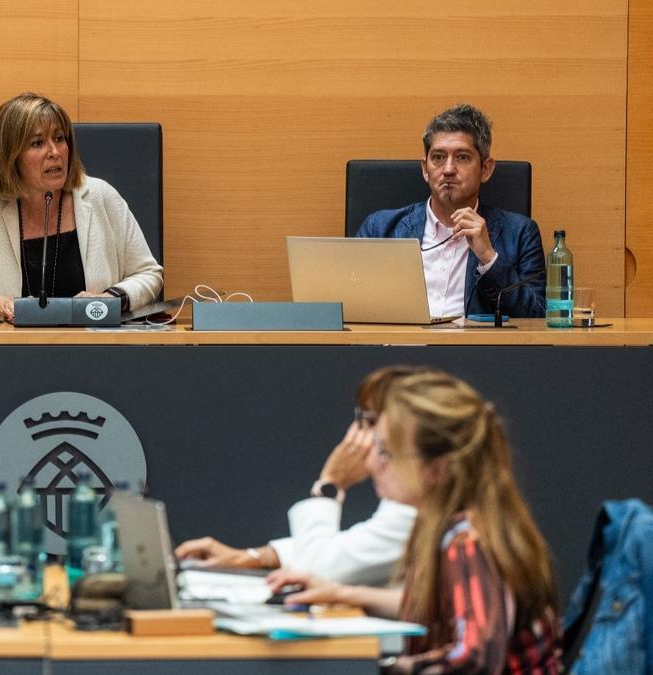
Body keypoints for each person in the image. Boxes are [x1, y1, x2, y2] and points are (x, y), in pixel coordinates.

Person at [268, 371, 561, 673]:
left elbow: (475, 657)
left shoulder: (468, 541)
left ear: (437, 469)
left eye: (385, 452)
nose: (371, 464)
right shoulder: (456, 523)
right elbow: (446, 613)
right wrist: (342, 594)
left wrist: (387, 668)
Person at [175, 366, 421, 587]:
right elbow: (353, 549)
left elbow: (319, 567)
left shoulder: (414, 501)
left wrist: (330, 484)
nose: (359, 434)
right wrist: (250, 558)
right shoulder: (405, 499)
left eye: (369, 423)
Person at [0, 92, 163, 321]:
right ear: (9, 156)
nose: (54, 152)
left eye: (60, 138)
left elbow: (149, 275)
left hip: (94, 348)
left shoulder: (100, 197)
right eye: (37, 143)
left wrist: (111, 297)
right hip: (9, 352)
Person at [355, 104, 546, 318]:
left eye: (462, 157)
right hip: (400, 349)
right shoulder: (380, 229)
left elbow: (537, 317)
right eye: (438, 157)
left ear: (486, 169)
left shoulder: (520, 233)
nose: (447, 170)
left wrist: (489, 258)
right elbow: (352, 305)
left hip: (474, 350)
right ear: (425, 169)